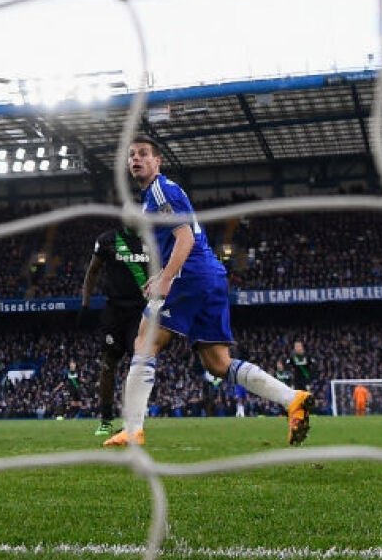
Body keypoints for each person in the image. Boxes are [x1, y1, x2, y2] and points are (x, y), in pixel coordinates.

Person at [104, 138, 312, 448]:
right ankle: (291, 399)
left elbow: (184, 238)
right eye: (132, 155)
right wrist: (161, 275)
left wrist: (167, 278)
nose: (136, 159)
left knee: (145, 340)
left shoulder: (161, 190)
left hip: (192, 276)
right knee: (217, 362)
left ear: (158, 161)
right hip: (210, 276)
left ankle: (133, 429)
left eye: (144, 154)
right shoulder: (154, 197)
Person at [80, 225, 149, 439]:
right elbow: (92, 271)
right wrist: (85, 304)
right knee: (108, 364)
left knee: (138, 365)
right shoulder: (107, 239)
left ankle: (133, 422)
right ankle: (106, 420)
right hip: (114, 310)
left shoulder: (151, 240)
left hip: (140, 311)